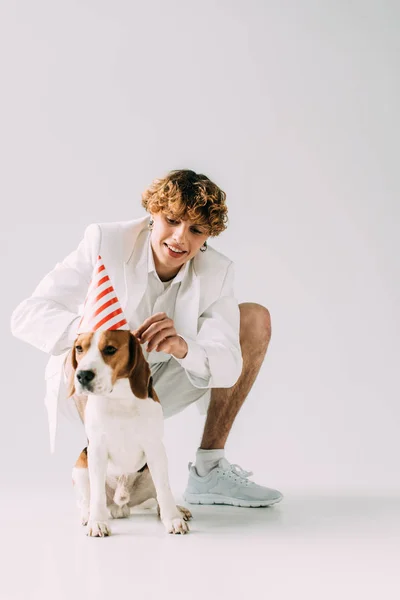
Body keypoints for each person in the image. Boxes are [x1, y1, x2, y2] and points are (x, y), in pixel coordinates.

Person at [10, 169, 283, 507]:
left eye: (196, 230)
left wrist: (184, 348)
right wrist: (95, 332)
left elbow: (228, 368)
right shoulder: (105, 241)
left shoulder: (218, 271)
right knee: (84, 352)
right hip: (87, 387)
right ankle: (107, 466)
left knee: (255, 318)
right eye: (172, 220)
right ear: (152, 215)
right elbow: (27, 315)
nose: (180, 238)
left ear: (207, 236)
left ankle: (209, 470)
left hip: (156, 385)